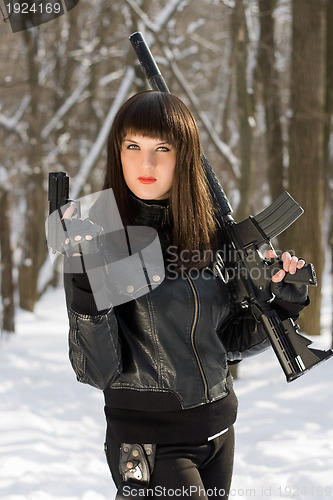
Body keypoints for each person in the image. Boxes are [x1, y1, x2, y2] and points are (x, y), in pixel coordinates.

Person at [61, 90, 308, 499]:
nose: (147, 163)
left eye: (163, 148)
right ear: (116, 153)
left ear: (185, 157)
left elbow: (225, 342)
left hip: (218, 431)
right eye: (133, 146)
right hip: (150, 443)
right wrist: (86, 284)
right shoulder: (98, 241)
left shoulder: (207, 238)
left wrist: (284, 300)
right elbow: (97, 371)